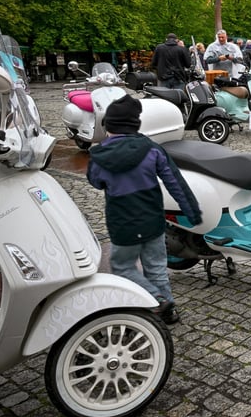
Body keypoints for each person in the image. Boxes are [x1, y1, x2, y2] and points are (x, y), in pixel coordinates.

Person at [86, 95, 202, 325]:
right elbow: (175, 182)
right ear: (135, 125)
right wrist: (192, 212)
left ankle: (156, 300)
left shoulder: (99, 156)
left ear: (108, 126)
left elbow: (95, 182)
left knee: (123, 267)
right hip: (153, 221)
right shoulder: (152, 150)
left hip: (123, 225)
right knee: (156, 267)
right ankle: (168, 310)